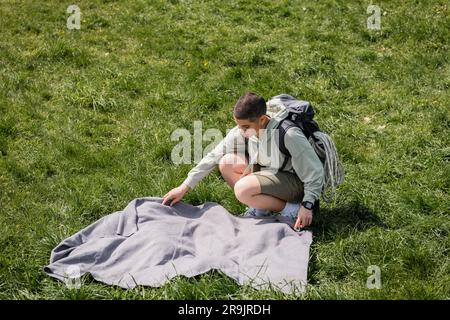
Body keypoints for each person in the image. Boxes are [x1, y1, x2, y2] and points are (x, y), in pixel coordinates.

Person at [162, 92, 324, 230]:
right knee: (226, 162)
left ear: (262, 120)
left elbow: (315, 171)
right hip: (271, 173)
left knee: (242, 190)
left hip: (296, 184)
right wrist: (184, 187)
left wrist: (307, 205)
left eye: (245, 127)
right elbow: (214, 155)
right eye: (238, 126)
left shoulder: (289, 134)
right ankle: (261, 208)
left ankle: (292, 209)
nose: (240, 131)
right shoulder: (244, 130)